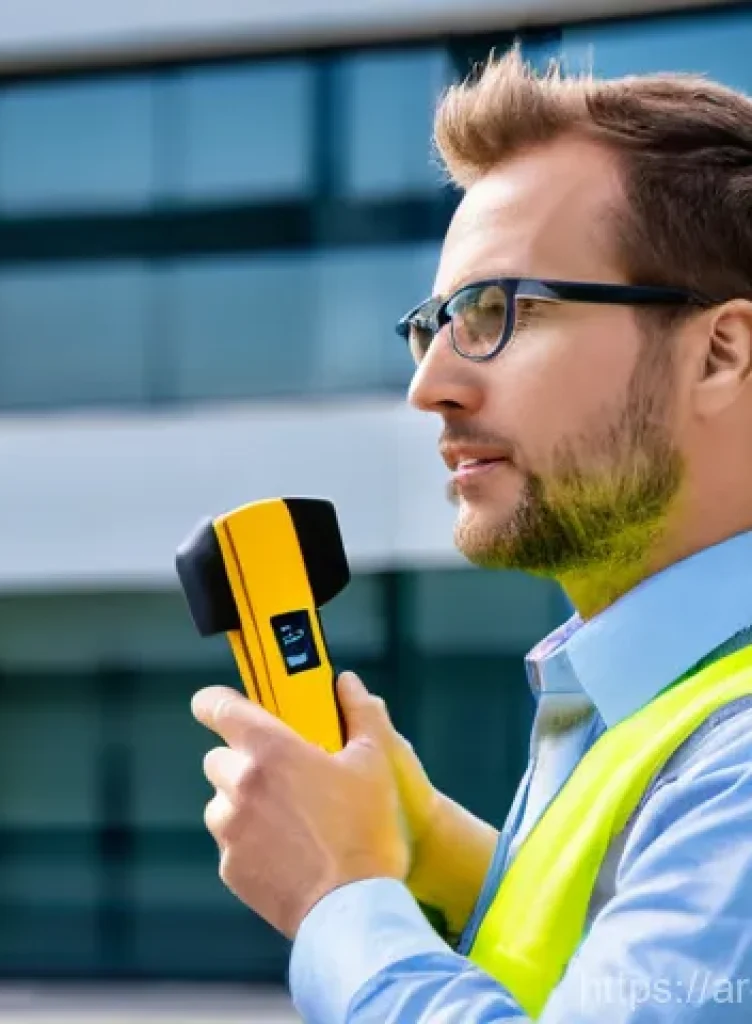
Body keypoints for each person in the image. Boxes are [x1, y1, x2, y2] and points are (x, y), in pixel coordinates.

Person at [190, 48, 752, 1022]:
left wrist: (340, 893)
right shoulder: (654, 715)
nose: (430, 384)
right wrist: (435, 854)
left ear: (719, 350)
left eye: (502, 313)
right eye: (436, 322)